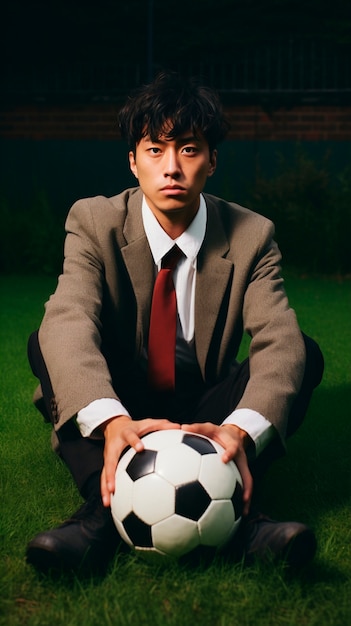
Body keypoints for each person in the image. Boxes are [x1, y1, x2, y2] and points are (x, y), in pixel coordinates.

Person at [26, 71, 324, 574]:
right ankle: (238, 529)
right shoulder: (94, 221)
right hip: (124, 399)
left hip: (207, 406)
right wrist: (113, 419)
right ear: (133, 162)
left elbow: (280, 339)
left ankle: (120, 522)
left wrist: (238, 431)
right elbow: (69, 316)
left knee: (304, 353)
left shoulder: (252, 235)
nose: (171, 168)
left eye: (188, 150)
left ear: (211, 161)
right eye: (155, 150)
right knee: (47, 341)